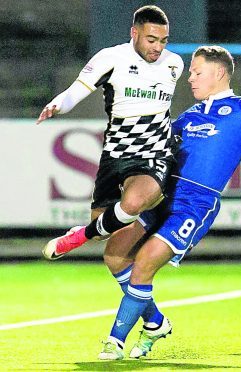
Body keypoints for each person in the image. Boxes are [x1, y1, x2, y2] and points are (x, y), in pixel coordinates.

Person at [96, 45, 241, 360]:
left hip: (195, 204)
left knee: (145, 262)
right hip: (161, 197)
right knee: (114, 256)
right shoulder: (188, 116)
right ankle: (155, 322)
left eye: (196, 71)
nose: (189, 78)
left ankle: (114, 341)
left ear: (218, 73)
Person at [37, 5, 184, 260]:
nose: (158, 48)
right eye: (151, 39)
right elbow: (77, 90)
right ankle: (88, 232)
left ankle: (79, 237)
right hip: (115, 154)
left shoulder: (174, 64)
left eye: (163, 41)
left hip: (154, 153)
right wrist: (59, 105)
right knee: (103, 230)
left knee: (134, 203)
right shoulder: (111, 58)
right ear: (134, 33)